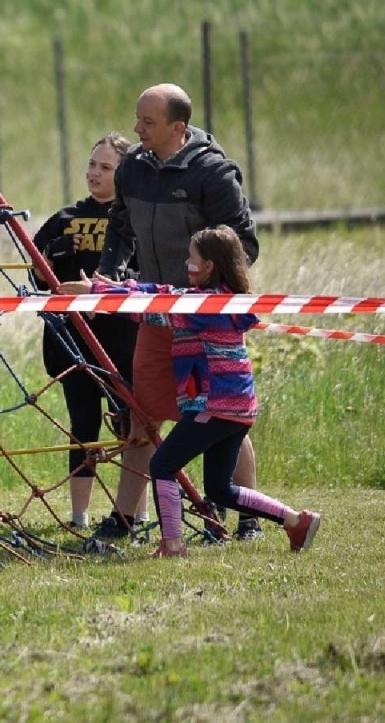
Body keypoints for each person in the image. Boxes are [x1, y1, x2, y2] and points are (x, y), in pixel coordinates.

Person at [60, 226, 320, 558]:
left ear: (209, 265)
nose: (186, 263)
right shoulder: (217, 298)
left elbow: (156, 308)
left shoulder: (204, 306)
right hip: (235, 409)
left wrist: (103, 297)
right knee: (219, 488)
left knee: (163, 465)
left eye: (192, 258)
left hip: (214, 405)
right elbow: (163, 291)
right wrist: (113, 287)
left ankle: (172, 544)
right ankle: (297, 521)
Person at [97, 82, 263, 541]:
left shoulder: (212, 173)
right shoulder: (133, 167)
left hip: (207, 326)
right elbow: (121, 224)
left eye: (147, 123)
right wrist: (110, 273)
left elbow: (244, 245)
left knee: (224, 418)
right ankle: (126, 519)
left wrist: (203, 293)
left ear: (178, 127)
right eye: (137, 119)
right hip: (155, 317)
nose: (136, 129)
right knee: (142, 417)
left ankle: (249, 519)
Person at [31, 133, 143, 533]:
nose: (94, 173)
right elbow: (35, 275)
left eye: (106, 167)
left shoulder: (133, 218)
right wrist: (56, 253)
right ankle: (78, 515)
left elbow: (146, 277)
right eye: (92, 164)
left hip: (122, 340)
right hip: (72, 342)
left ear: (124, 173)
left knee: (132, 423)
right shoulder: (65, 218)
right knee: (83, 425)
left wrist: (112, 290)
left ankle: (136, 510)